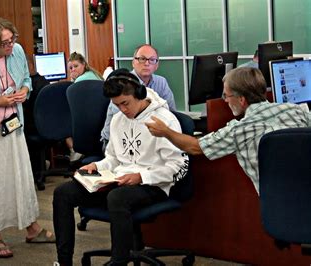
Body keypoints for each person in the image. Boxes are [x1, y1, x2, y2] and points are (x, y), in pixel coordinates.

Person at [53, 69, 189, 266]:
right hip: (120, 180)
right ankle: (63, 261)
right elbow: (114, 158)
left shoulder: (164, 120)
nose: (122, 110)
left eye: (125, 103)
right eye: (117, 105)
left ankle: (119, 261)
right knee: (63, 192)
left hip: (155, 183)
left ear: (139, 94)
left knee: (117, 197)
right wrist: (97, 166)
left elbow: (177, 166)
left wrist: (141, 177)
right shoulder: (118, 119)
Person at [0, 16, 55, 259]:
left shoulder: (16, 51)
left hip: (14, 125)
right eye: (4, 43)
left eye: (11, 40)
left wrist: (24, 91)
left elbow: (26, 79)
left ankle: (31, 226)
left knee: (20, 177)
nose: (10, 46)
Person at [146, 67, 310, 194]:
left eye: (226, 96)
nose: (225, 100)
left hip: (279, 203)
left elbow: (195, 147)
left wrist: (166, 131)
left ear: (241, 99)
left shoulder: (239, 130)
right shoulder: (297, 110)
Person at [100, 44, 176, 146]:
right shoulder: (123, 82)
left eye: (152, 60)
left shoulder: (161, 82)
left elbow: (170, 112)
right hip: (116, 141)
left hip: (148, 138)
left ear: (157, 65)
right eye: (142, 59)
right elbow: (125, 120)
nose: (147, 63)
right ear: (133, 63)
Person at [66, 52, 103, 161]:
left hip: (86, 122)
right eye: (71, 68)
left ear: (84, 64)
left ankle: (74, 150)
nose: (73, 70)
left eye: (76, 66)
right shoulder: (94, 74)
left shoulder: (79, 82)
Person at [23, 53, 51, 190]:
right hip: (50, 129)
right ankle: (41, 166)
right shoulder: (45, 82)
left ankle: (34, 170)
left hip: (32, 130)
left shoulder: (26, 89)